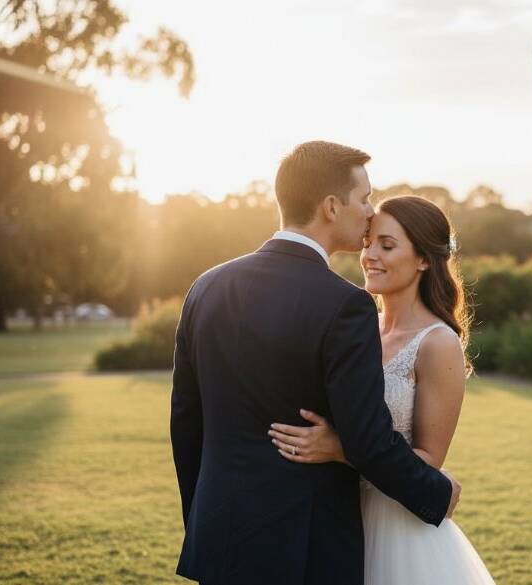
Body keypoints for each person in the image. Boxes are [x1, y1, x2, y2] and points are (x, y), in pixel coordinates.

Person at [170, 141, 461, 585]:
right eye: (363, 198)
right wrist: (436, 493)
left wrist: (204, 523)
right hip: (305, 549)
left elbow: (186, 425)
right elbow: (367, 441)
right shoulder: (345, 305)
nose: (369, 212)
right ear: (331, 206)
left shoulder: (207, 287)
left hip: (220, 539)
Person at [269, 195, 495, 584]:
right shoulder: (358, 327)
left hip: (397, 527)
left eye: (387, 246)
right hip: (335, 515)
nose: (370, 255)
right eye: (368, 242)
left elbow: (429, 461)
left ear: (423, 259)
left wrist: (340, 449)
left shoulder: (437, 343)